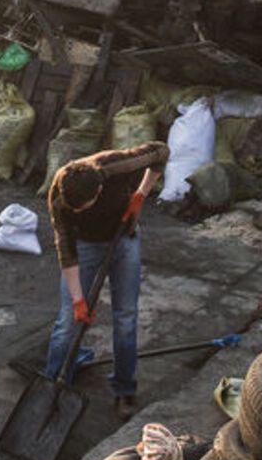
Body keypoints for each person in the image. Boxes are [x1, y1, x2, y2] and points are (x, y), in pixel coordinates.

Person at [45, 142, 170, 421]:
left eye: (83, 207)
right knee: (67, 321)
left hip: (124, 239)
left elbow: (161, 152)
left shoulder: (115, 165)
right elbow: (65, 250)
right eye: (72, 208)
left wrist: (140, 194)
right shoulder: (59, 196)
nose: (75, 212)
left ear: (99, 191)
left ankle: (124, 389)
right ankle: (51, 384)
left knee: (125, 318)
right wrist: (79, 301)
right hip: (86, 247)